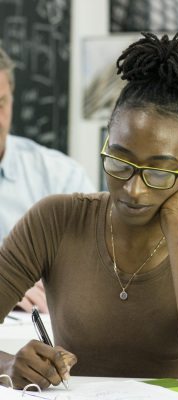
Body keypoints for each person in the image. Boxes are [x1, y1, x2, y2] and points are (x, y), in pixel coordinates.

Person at [0, 32, 178, 390]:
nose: (134, 189)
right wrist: (10, 363)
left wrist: (175, 223)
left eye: (158, 171)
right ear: (107, 138)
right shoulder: (56, 219)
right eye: (119, 161)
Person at [0, 46, 95, 313]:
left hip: (40, 336)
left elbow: (101, 260)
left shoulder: (60, 176)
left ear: (12, 97)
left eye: (0, 103)